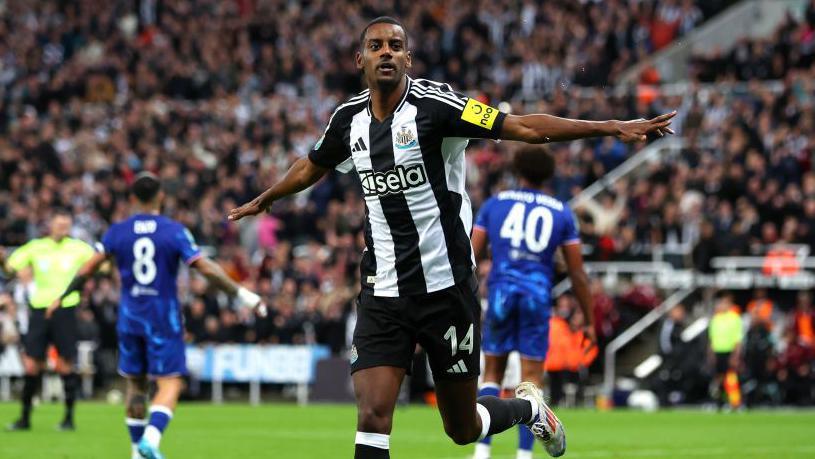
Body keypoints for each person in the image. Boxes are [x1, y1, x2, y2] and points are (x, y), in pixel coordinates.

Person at [227, 16, 674, 459]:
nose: (387, 52)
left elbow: (522, 127)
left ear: (408, 57)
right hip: (383, 292)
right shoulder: (348, 121)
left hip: (446, 289)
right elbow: (313, 164)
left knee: (462, 428)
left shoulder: (438, 107)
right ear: (359, 59)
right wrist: (268, 197)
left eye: (396, 46)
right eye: (377, 46)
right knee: (372, 416)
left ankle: (528, 409)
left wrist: (610, 126)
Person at [54, 172, 264, 459]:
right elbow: (204, 268)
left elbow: (87, 269)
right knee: (171, 382)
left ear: (132, 198)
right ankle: (150, 440)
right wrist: (243, 295)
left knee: (136, 384)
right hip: (162, 317)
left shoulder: (117, 231)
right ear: (161, 197)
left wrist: (63, 295)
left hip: (129, 317)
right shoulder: (173, 231)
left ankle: (135, 453)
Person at [469, 146, 596, 459]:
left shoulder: (494, 204)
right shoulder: (561, 211)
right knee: (530, 381)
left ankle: (482, 451)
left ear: (517, 170)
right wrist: (589, 319)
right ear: (549, 175)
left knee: (492, 375)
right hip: (536, 296)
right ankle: (524, 456)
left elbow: (471, 256)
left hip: (499, 294)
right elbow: (578, 273)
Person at [0, 211, 96, 432]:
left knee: (64, 364)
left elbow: (101, 264)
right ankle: (24, 419)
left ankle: (69, 419)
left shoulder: (79, 248)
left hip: (65, 309)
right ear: (50, 225)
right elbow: (10, 270)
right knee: (32, 365)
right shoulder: (36, 246)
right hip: (39, 310)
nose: (63, 227)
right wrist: (3, 261)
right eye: (59, 223)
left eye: (66, 224)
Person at [708, 293, 743, 410]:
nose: (721, 305)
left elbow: (738, 339)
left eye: (724, 303)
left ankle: (735, 402)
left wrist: (735, 356)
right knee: (719, 378)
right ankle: (720, 402)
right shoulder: (715, 319)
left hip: (729, 352)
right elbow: (712, 339)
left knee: (731, 378)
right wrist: (711, 354)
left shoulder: (735, 318)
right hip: (718, 352)